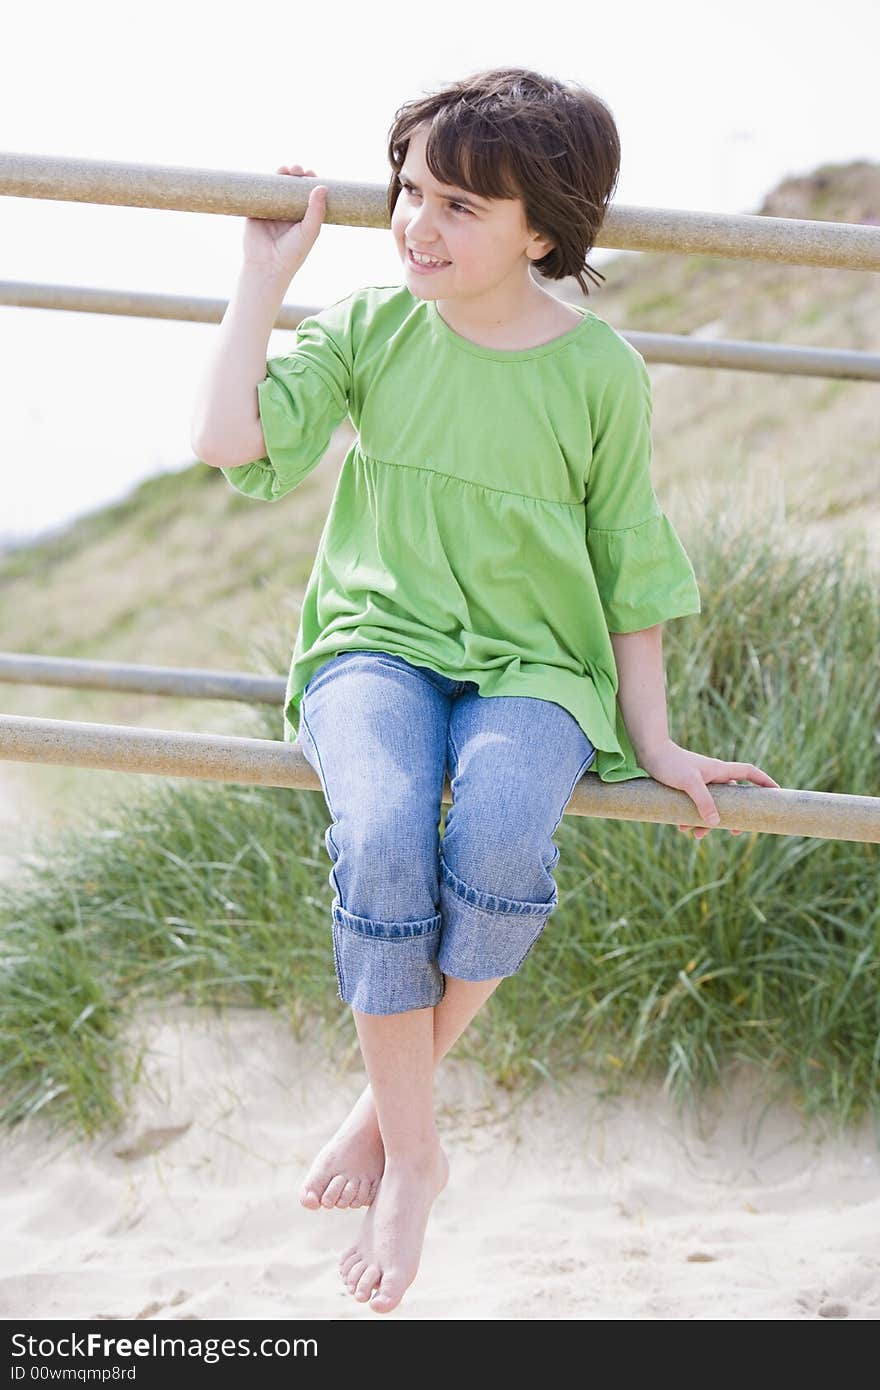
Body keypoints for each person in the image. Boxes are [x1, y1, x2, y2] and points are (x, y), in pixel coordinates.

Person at [191, 66, 779, 1315]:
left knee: (506, 833)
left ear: (543, 230)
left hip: (540, 667)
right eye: (410, 191)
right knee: (384, 832)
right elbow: (230, 444)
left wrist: (657, 741)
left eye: (459, 205)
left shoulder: (598, 373)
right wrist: (262, 280)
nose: (417, 224)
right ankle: (418, 1155)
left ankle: (380, 1110)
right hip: (373, 642)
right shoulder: (369, 328)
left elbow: (630, 564)